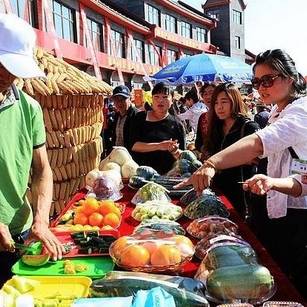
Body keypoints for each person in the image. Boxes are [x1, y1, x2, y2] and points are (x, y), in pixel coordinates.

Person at [177, 49, 307, 297]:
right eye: (257, 82)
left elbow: (259, 142)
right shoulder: (276, 112)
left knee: (292, 285)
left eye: (268, 80)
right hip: (276, 207)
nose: (261, 87)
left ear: (290, 78)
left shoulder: (300, 111)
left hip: (297, 217)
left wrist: (212, 163)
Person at [0, 13, 64, 285]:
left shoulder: (30, 108)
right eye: (3, 65)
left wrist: (40, 220)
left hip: (20, 232)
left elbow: (42, 170)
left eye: (15, 68)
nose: (10, 75)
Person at [202, 83, 259, 217]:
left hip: (241, 194)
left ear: (234, 101)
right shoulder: (216, 127)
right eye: (216, 103)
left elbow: (257, 160)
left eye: (224, 102)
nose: (219, 107)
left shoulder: (248, 127)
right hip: (217, 192)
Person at [130, 82, 186, 174]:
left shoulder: (177, 124)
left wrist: (174, 151)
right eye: (156, 97)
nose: (160, 100)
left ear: (172, 101)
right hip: (139, 174)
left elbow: (182, 156)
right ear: (152, 99)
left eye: (165, 97)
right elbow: (133, 146)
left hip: (166, 176)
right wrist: (160, 146)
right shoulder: (139, 118)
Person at [109, 85, 138, 152]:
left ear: (130, 99)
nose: (119, 103)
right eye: (116, 100)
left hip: (131, 157)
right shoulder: (116, 116)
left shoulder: (137, 115)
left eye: (123, 99)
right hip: (117, 154)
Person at [195, 83, 216, 159]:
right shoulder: (202, 117)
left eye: (211, 93)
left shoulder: (223, 116)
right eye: (205, 94)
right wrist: (204, 150)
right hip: (206, 160)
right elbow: (198, 142)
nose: (208, 96)